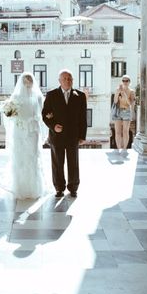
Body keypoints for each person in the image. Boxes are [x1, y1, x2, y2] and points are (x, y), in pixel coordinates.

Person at [42, 69, 87, 198]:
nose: (68, 81)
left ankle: (73, 188)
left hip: (73, 136)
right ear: (59, 81)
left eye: (70, 79)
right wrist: (53, 126)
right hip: (57, 136)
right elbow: (45, 114)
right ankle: (59, 188)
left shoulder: (80, 96)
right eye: (65, 79)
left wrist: (82, 136)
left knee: (73, 163)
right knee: (57, 163)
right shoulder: (51, 95)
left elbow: (83, 118)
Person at [3, 72, 48, 199]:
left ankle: (34, 188)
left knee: (33, 156)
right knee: (20, 157)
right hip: (19, 130)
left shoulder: (38, 96)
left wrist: (38, 118)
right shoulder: (16, 96)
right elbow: (9, 113)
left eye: (30, 80)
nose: (28, 83)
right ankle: (20, 187)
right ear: (22, 82)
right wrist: (9, 112)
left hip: (33, 129)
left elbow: (43, 112)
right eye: (25, 80)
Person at [111, 75, 136, 154]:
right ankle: (118, 148)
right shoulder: (117, 90)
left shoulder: (132, 92)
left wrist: (125, 95)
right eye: (123, 80)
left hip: (126, 111)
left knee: (125, 131)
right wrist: (117, 93)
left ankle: (124, 148)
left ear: (129, 82)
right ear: (121, 82)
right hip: (118, 111)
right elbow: (115, 102)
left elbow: (131, 104)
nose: (125, 82)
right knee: (117, 131)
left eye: (127, 81)